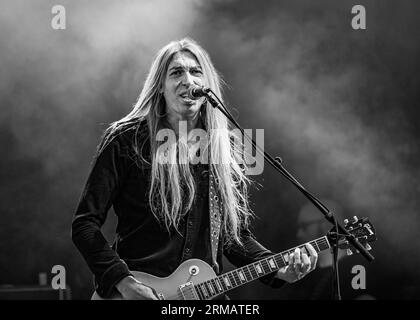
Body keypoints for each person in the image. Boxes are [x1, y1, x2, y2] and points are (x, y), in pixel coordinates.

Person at [71, 38, 318, 300]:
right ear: (160, 88)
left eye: (196, 71)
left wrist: (279, 270)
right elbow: (85, 225)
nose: (188, 80)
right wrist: (123, 282)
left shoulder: (227, 149)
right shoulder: (127, 140)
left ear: (207, 85)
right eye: (176, 72)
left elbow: (234, 238)